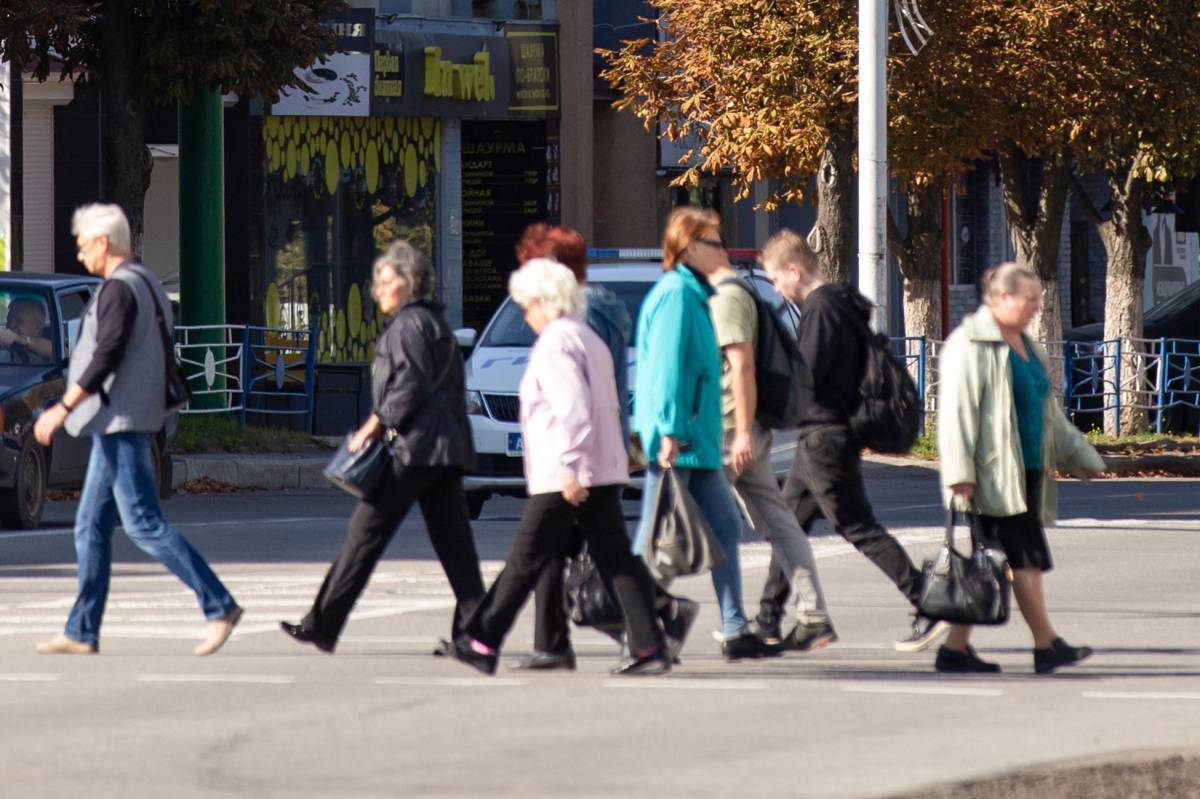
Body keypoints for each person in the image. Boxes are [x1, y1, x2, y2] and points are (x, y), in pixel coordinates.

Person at [33, 203, 241, 656]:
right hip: (122, 420)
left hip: (122, 422)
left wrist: (61, 408)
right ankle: (81, 630)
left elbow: (106, 355)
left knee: (143, 523)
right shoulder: (143, 281)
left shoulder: (120, 290)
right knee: (90, 525)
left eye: (83, 245)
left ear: (103, 242)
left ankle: (219, 605)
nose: (80, 254)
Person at [453, 258, 670, 676]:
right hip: (600, 468)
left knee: (525, 558)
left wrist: (569, 468)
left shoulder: (556, 343)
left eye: (527, 305)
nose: (526, 315)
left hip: (566, 473)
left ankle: (483, 641)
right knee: (615, 559)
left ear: (543, 301)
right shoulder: (587, 337)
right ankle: (648, 646)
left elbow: (574, 409)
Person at [508, 223, 698, 671]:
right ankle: (558, 642)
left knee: (580, 552)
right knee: (571, 550)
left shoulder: (575, 318)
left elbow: (575, 396)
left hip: (580, 454)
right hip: (602, 444)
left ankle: (653, 620)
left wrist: (570, 461)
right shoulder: (602, 308)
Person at [281, 241, 485, 654]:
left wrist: (374, 424)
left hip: (415, 449)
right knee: (456, 548)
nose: (377, 291)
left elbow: (410, 383)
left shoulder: (409, 326)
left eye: (385, 282)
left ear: (408, 283)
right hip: (443, 449)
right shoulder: (433, 323)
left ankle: (322, 624)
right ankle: (478, 635)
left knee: (364, 535)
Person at [755, 228, 948, 653]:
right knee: (787, 525)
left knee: (858, 528)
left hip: (824, 437)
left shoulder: (821, 307)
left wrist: (764, 400)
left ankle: (928, 601)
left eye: (775, 278)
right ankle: (769, 620)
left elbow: (806, 375)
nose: (776, 289)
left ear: (793, 270)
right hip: (823, 435)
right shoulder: (841, 302)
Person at [935, 262, 1104, 674]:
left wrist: (1083, 456)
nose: (1036, 307)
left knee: (992, 562)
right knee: (1024, 558)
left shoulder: (1028, 346)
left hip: (1026, 471)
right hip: (990, 476)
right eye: (1030, 299)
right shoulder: (969, 344)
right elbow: (956, 413)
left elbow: (1047, 413)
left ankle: (954, 650)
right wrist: (959, 474)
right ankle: (1046, 644)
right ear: (1002, 297)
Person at [631, 207, 773, 660]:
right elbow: (667, 370)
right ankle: (639, 629)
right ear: (689, 248)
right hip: (681, 439)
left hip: (699, 440)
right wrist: (669, 431)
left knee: (725, 526)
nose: (724, 251)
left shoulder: (693, 294)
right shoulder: (676, 295)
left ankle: (734, 628)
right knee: (654, 541)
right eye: (715, 243)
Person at [706, 244, 836, 651]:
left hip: (730, 427)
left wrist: (743, 431)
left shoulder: (727, 296)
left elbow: (741, 365)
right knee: (778, 520)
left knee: (684, 519)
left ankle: (652, 611)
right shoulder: (741, 291)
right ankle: (811, 614)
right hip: (744, 426)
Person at [1, 297, 54, 362]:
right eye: (9, 320)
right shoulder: (5, 349)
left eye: (18, 321)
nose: (11, 326)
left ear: (37, 327)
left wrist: (20, 339)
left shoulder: (52, 346)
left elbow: (56, 351)